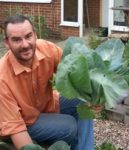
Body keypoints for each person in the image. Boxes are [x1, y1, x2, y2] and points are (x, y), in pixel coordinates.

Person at [0, 15, 94, 150]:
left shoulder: (46, 49)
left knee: (82, 101)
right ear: (7, 43)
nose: (25, 44)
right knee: (68, 126)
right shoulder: (2, 78)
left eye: (28, 36)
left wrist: (95, 100)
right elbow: (15, 128)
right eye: (16, 40)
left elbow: (74, 72)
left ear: (35, 35)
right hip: (20, 123)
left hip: (45, 107)